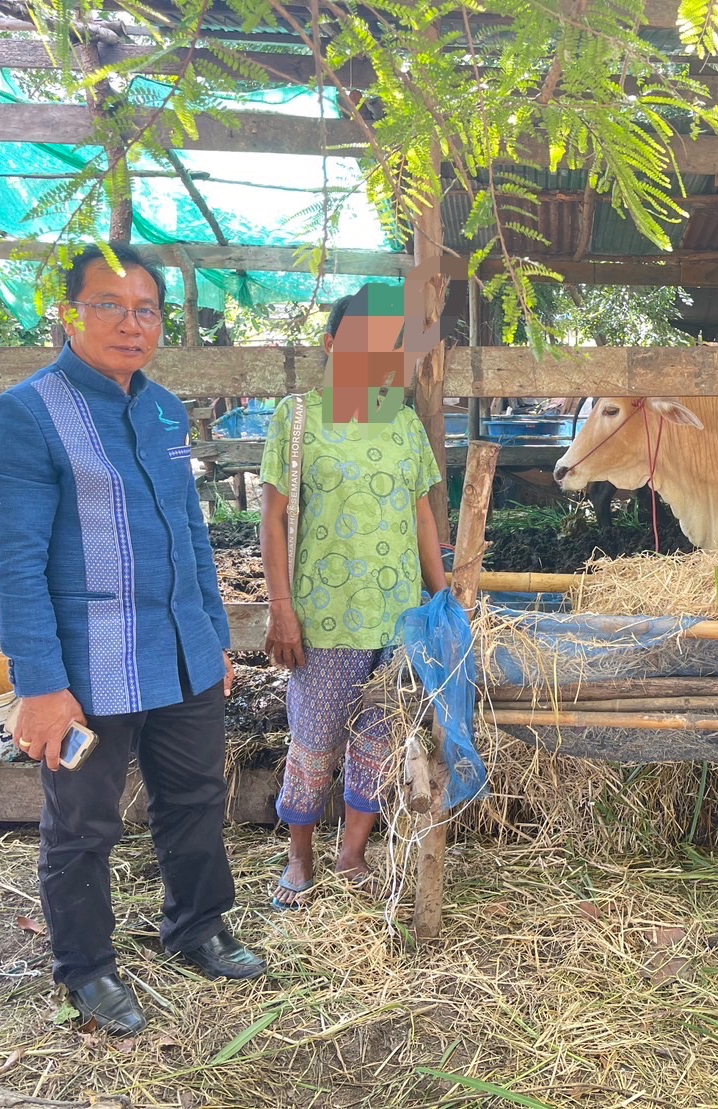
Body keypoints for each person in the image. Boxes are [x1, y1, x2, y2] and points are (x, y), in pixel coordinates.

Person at [0, 243, 264, 1037]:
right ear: (68, 313)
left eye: (146, 309)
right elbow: (18, 564)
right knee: (83, 825)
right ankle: (87, 969)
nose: (131, 324)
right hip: (86, 670)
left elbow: (190, 535)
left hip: (181, 652)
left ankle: (197, 925)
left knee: (197, 798)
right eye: (109, 305)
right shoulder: (25, 415)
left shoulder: (165, 408)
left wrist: (213, 638)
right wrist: (40, 684)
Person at [260, 287, 447, 910]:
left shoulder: (403, 422)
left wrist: (442, 599)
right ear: (332, 342)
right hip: (326, 616)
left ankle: (352, 854)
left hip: (398, 618)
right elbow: (275, 517)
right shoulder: (299, 416)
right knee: (314, 742)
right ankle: (300, 856)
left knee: (380, 740)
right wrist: (281, 606)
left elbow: (422, 516)